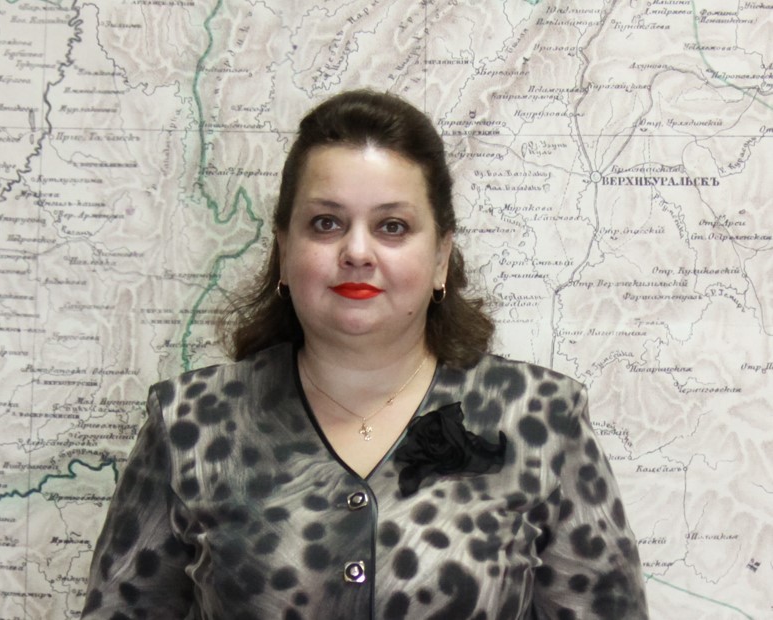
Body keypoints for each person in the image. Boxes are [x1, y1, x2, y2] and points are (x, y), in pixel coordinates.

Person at [82, 89, 648, 619]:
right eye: (326, 223)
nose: (357, 251)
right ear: (285, 249)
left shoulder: (543, 420)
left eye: (392, 226)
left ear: (441, 257)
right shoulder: (189, 425)